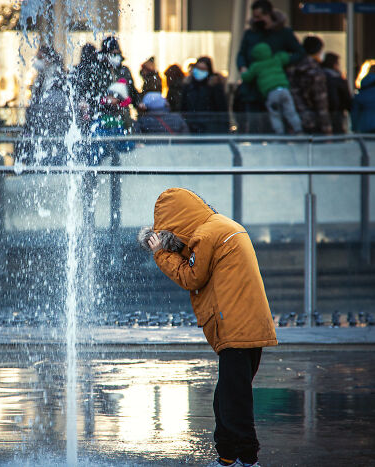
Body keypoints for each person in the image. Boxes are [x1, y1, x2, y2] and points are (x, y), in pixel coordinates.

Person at [139, 188, 276, 467]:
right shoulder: (221, 225)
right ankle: (227, 458)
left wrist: (161, 253)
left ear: (177, 222)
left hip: (236, 326)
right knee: (226, 397)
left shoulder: (206, 235)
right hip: (246, 322)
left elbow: (192, 278)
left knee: (234, 401)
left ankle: (248, 460)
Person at [235, 0, 305, 133]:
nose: (256, 20)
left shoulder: (284, 33)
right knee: (255, 125)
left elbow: (299, 53)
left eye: (259, 17)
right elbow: (241, 55)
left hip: (275, 87)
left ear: (268, 15)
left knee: (278, 118)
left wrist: (282, 61)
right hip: (254, 90)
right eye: (254, 17)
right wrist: (243, 67)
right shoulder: (251, 34)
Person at [16, 45, 71, 165]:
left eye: (40, 58)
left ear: (49, 59)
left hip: (53, 134)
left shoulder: (57, 78)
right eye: (37, 58)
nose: (37, 61)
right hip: (41, 133)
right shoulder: (41, 78)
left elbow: (54, 107)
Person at [241, 43, 302, 134]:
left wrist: (243, 71)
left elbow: (247, 77)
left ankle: (279, 133)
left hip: (272, 93)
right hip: (284, 90)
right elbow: (286, 57)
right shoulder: (276, 59)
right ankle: (298, 129)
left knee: (275, 115)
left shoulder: (256, 66)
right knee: (291, 111)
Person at [289, 36, 332, 135]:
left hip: (292, 120)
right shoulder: (314, 71)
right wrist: (327, 129)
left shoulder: (292, 68)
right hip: (312, 122)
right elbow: (320, 101)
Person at [181, 57, 229, 134]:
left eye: (203, 69)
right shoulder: (188, 85)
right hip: (191, 127)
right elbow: (183, 107)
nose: (200, 71)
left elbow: (222, 109)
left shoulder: (215, 86)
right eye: (198, 68)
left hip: (210, 128)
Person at [98, 36, 142, 110]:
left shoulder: (125, 70)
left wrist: (139, 103)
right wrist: (106, 99)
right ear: (105, 55)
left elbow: (132, 91)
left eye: (117, 54)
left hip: (123, 114)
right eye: (113, 54)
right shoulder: (99, 71)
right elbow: (96, 93)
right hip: (104, 114)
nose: (116, 57)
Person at [321, 52, 352, 134]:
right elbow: (347, 98)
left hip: (321, 112)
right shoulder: (338, 79)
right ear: (335, 64)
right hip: (336, 112)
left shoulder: (318, 75)